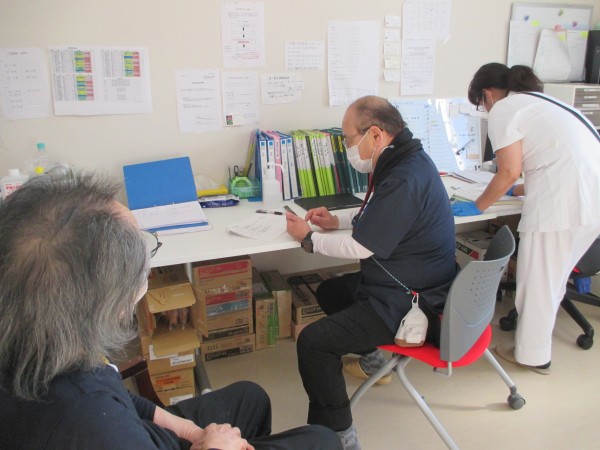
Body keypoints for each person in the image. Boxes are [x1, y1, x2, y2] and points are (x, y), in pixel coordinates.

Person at [0, 172, 342, 450]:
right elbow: (106, 409)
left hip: (138, 428)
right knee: (322, 441)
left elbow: (119, 396)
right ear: (106, 304)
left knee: (250, 398)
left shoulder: (45, 342)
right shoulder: (93, 423)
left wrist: (190, 431)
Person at [285, 95, 458, 450]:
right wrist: (337, 221)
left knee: (314, 343)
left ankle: (339, 435)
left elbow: (362, 247)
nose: (349, 148)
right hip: (414, 282)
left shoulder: (405, 176)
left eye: (349, 139)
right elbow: (382, 213)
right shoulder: (406, 159)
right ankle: (373, 360)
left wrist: (309, 240)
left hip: (411, 302)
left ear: (375, 135)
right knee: (331, 292)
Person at [452, 62, 600, 374]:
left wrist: (479, 206)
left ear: (488, 95)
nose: (485, 110)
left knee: (537, 283)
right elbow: (552, 160)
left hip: (561, 208)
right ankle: (536, 347)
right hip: (590, 203)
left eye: (480, 105)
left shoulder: (505, 108)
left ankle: (533, 357)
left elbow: (508, 170)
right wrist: (517, 188)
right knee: (553, 280)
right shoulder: (545, 103)